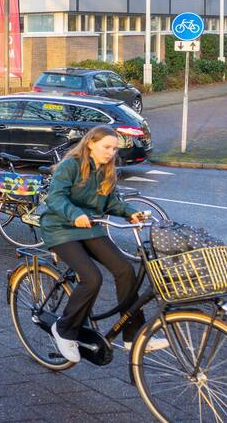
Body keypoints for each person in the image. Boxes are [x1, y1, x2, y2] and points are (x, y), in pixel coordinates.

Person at [41, 126, 165, 362]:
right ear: (90, 144)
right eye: (106, 147)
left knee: (125, 270)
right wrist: (74, 213)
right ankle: (64, 330)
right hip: (61, 228)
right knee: (92, 278)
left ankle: (133, 336)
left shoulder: (107, 170)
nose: (111, 152)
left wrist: (130, 212)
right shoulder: (71, 165)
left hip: (90, 227)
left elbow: (111, 202)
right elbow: (55, 197)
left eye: (115, 148)